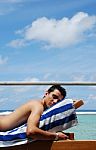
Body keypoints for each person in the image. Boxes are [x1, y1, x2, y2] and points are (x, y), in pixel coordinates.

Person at [0, 85, 83, 141]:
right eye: (54, 97)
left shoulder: (42, 109)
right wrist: (56, 136)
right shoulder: (37, 106)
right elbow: (31, 131)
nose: (55, 102)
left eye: (59, 101)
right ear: (46, 93)